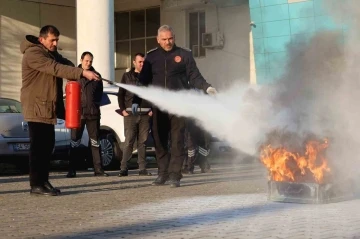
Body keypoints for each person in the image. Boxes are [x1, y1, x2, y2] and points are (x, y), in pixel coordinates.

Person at [132, 25, 217, 187]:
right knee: (159, 140)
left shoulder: (184, 55)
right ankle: (162, 173)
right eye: (164, 39)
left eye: (170, 38)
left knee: (178, 140)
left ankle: (175, 175)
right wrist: (136, 100)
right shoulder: (151, 57)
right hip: (159, 106)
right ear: (158, 40)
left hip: (179, 105)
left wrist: (207, 87)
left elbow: (194, 76)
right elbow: (142, 81)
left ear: (174, 37)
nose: (167, 42)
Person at [20, 25, 100, 196]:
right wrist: (82, 73)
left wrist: (81, 71)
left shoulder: (50, 53)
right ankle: (36, 184)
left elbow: (65, 65)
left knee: (48, 146)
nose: (55, 43)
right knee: (38, 147)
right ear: (42, 39)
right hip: (36, 106)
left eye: (57, 40)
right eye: (52, 40)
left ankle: (44, 181)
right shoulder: (33, 54)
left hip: (47, 107)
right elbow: (55, 68)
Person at [66, 51, 108, 178]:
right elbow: (69, 92)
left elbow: (100, 94)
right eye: (86, 61)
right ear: (81, 60)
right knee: (74, 142)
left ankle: (98, 170)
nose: (88, 63)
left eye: (90, 61)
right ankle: (72, 170)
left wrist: (94, 105)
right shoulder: (74, 74)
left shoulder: (97, 76)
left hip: (93, 114)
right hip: (78, 114)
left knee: (95, 142)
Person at [117, 53, 153, 177]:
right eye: (139, 62)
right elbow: (120, 94)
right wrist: (123, 110)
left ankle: (142, 168)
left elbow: (154, 93)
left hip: (145, 114)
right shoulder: (127, 76)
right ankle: (123, 168)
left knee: (143, 142)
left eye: (143, 62)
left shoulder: (149, 77)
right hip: (130, 114)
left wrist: (151, 109)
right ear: (134, 62)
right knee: (129, 141)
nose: (142, 64)